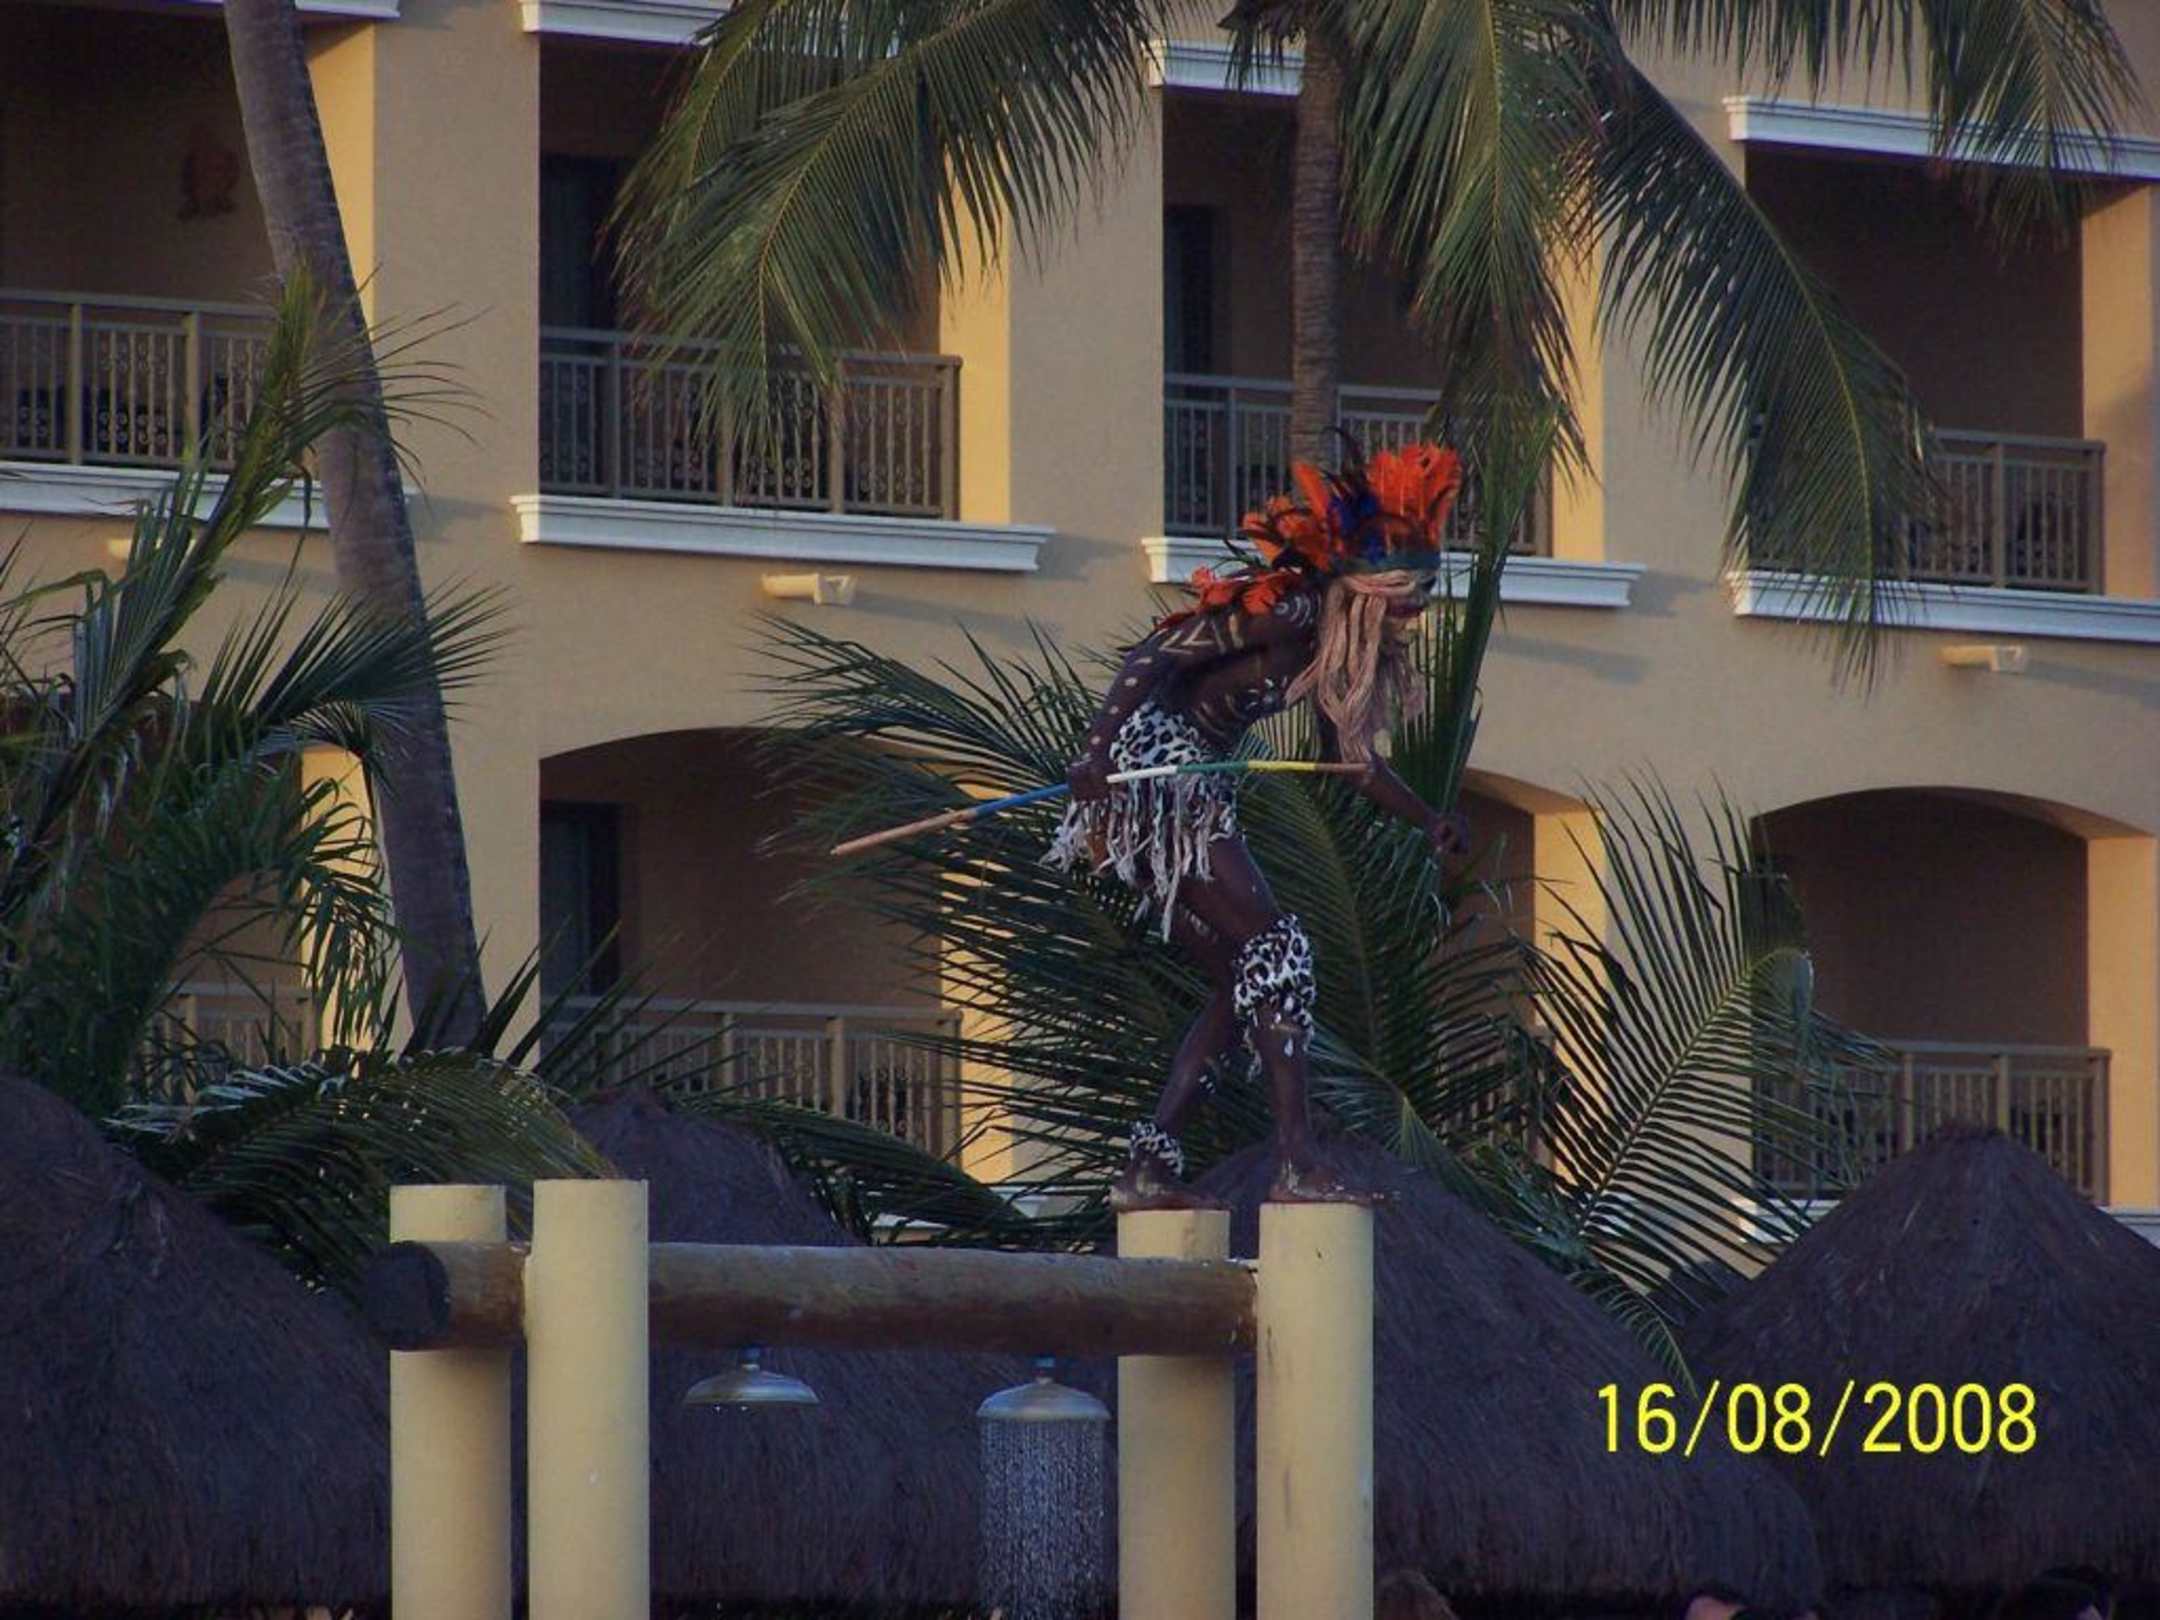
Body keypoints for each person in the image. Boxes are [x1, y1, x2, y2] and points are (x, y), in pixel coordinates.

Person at [1047, 443, 1471, 1204]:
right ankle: (1296, 1162)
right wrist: (1095, 753)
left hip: (1188, 780)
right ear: (1364, 583)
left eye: (1426, 590)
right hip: (1158, 774)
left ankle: (1148, 1166)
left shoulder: (1331, 645)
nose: (1417, 607)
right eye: (1407, 589)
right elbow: (1155, 653)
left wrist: (1426, 818)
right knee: (1279, 950)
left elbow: (1354, 763)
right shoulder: (1289, 612)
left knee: (1242, 977)